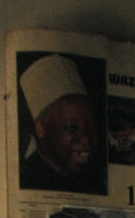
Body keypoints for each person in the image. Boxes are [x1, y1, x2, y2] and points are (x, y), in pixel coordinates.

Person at [19, 53, 106, 194]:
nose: (86, 140)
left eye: (91, 128)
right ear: (41, 129)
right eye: (72, 128)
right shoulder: (29, 181)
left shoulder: (93, 180)